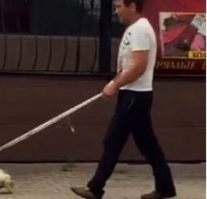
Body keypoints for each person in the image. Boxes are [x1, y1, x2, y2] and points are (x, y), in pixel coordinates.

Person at [70, 0, 177, 198]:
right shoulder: (135, 29)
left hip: (136, 96)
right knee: (148, 144)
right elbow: (128, 66)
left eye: (120, 6)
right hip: (132, 94)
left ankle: (95, 188)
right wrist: (118, 84)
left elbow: (139, 66)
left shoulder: (141, 30)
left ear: (133, 6)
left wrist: (115, 85)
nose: (116, 10)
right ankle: (165, 187)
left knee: (113, 141)